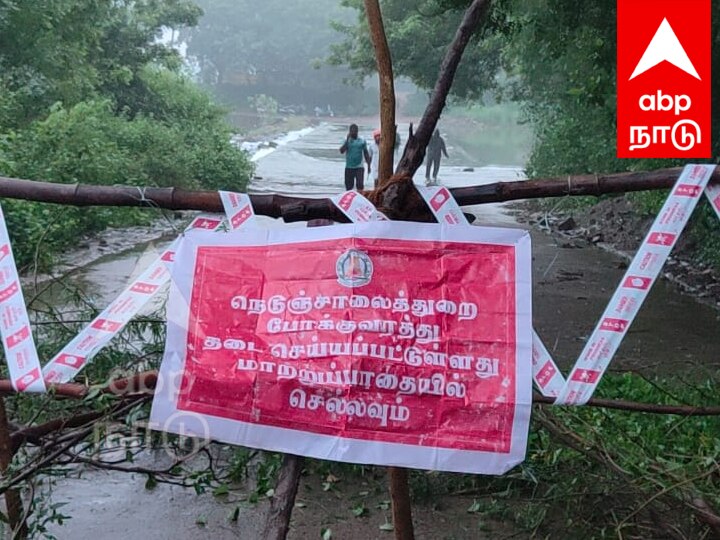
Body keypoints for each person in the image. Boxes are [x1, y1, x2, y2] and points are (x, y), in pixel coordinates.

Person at [340, 124, 371, 191]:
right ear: (349, 132)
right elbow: (342, 151)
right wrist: (347, 140)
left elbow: (366, 153)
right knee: (349, 187)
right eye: (352, 131)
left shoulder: (362, 140)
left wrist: (368, 165)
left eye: (355, 131)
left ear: (357, 131)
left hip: (359, 166)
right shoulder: (346, 140)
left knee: (360, 185)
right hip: (349, 167)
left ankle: (359, 199)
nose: (353, 133)